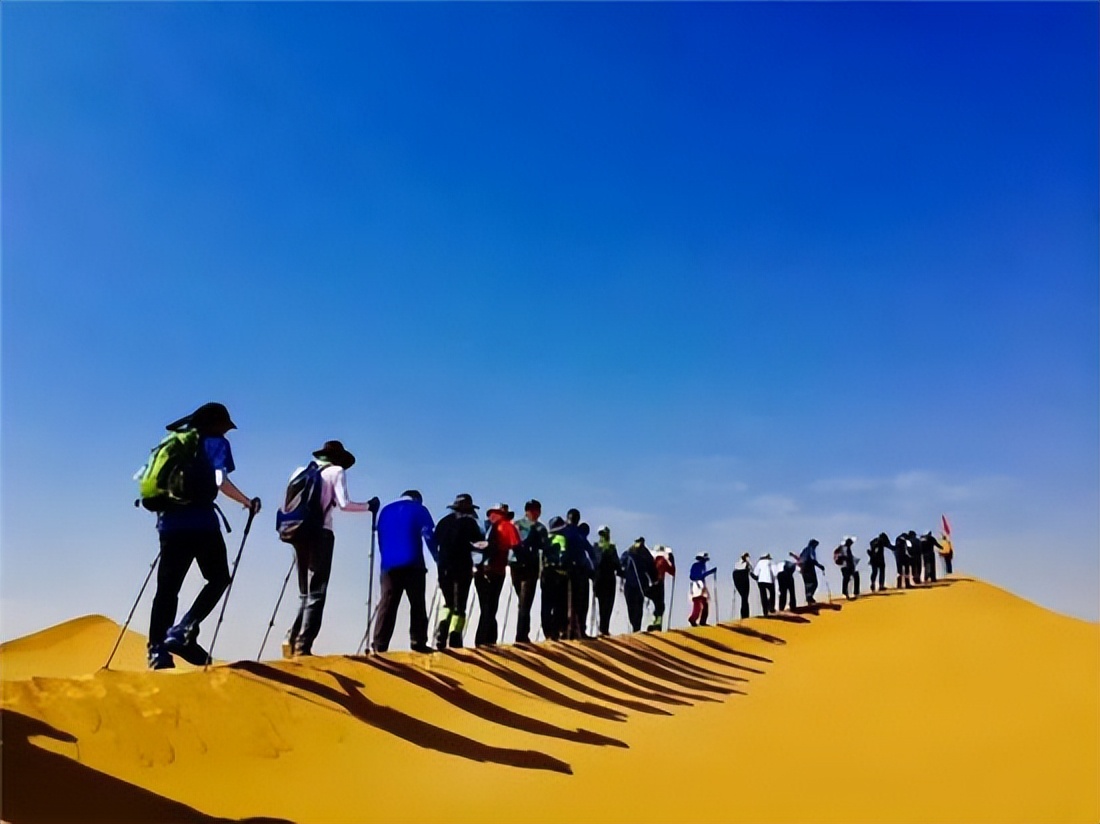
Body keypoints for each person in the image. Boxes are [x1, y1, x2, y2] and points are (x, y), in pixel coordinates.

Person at [147, 402, 261, 669]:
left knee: (167, 589)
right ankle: (183, 631)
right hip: (202, 524)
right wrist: (247, 502)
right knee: (219, 578)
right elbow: (221, 482)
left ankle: (157, 650)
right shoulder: (217, 443)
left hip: (170, 523)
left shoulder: (173, 442)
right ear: (217, 425)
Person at [285, 440, 379, 657]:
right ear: (339, 459)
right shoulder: (336, 471)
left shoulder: (300, 471)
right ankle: (303, 645)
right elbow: (344, 504)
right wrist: (369, 506)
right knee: (317, 591)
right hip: (321, 533)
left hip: (297, 531)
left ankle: (291, 637)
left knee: (304, 592)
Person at [372, 489, 436, 654]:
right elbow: (428, 534)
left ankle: (379, 644)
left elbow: (379, 536)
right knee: (417, 603)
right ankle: (418, 641)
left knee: (387, 604)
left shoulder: (385, 511)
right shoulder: (419, 509)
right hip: (413, 562)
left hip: (389, 565)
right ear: (417, 499)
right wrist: (437, 557)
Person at [433, 493, 486, 649]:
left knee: (448, 603)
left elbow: (435, 541)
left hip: (443, 568)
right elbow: (479, 543)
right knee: (459, 605)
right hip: (462, 568)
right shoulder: (470, 523)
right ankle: (455, 637)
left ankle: (442, 631)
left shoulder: (443, 522)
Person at [474, 503, 519, 647]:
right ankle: (487, 640)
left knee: (486, 606)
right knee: (491, 606)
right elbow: (516, 546)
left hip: (480, 570)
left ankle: (484, 640)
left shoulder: (482, 526)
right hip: (496, 570)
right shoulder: (507, 526)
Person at [511, 499, 548, 643]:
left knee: (523, 601)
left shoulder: (516, 525)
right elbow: (545, 546)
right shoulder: (539, 528)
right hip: (528, 566)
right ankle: (521, 635)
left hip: (516, 564)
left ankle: (522, 633)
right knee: (525, 602)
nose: (536, 513)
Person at [563, 509, 596, 639]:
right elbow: (591, 552)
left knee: (569, 602)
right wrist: (593, 570)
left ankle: (569, 631)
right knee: (581, 602)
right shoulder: (579, 534)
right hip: (580, 571)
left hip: (566, 571)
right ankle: (580, 630)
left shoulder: (563, 531)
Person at [541, 516, 571, 640]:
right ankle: (557, 630)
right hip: (559, 575)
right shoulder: (562, 539)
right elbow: (563, 556)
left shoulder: (546, 538)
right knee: (560, 605)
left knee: (546, 604)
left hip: (546, 574)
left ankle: (547, 632)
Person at [620, 537, 658, 632]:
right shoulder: (628, 553)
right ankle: (635, 627)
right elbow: (621, 565)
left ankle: (636, 628)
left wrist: (654, 580)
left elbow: (651, 568)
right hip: (630, 585)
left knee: (638, 607)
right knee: (631, 607)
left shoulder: (645, 554)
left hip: (640, 585)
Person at [593, 525, 621, 635]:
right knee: (607, 605)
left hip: (599, 579)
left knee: (602, 604)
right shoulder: (611, 548)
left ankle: (603, 628)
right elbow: (617, 564)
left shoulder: (596, 547)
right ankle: (603, 629)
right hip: (607, 580)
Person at [650, 545, 676, 631]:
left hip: (650, 585)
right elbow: (672, 570)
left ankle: (654, 621)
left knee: (656, 604)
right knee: (660, 605)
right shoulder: (663, 560)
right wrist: (671, 559)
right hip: (659, 584)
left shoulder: (651, 560)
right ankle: (657, 623)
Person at [687, 552, 717, 626]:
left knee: (704, 603)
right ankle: (693, 619)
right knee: (698, 603)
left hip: (700, 585)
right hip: (697, 585)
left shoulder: (701, 566)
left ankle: (702, 621)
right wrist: (710, 572)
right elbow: (694, 576)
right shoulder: (697, 565)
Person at [793, 539, 825, 605]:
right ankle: (809, 598)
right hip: (809, 567)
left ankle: (809, 600)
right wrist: (820, 566)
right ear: (813, 544)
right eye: (815, 545)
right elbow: (812, 559)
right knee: (814, 583)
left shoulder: (804, 550)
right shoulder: (811, 549)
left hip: (803, 568)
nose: (816, 547)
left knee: (807, 584)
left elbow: (800, 559)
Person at [751, 552, 777, 616]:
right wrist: (774, 579)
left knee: (763, 596)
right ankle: (771, 608)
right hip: (770, 580)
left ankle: (765, 611)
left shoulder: (759, 563)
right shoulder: (771, 562)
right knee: (772, 594)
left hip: (761, 581)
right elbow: (775, 572)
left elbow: (755, 573)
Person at [837, 536, 860, 600]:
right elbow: (844, 557)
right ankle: (846, 593)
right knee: (847, 579)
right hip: (846, 566)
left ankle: (851, 593)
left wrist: (854, 560)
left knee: (850, 578)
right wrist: (849, 561)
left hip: (848, 566)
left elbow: (849, 557)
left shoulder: (846, 548)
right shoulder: (844, 548)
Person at [732, 553, 753, 618]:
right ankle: (745, 614)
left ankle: (744, 614)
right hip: (743, 576)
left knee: (743, 597)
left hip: (737, 576)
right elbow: (751, 570)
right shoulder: (746, 563)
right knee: (745, 596)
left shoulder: (736, 564)